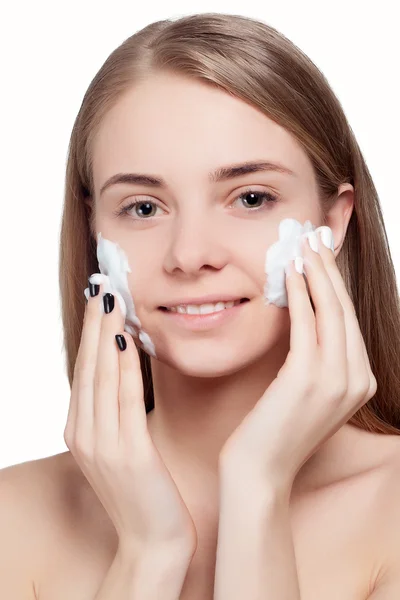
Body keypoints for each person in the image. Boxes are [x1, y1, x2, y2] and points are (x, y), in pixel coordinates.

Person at [1, 11, 400, 600]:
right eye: (143, 207)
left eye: (250, 197)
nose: (189, 255)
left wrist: (256, 486)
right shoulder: (14, 519)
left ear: (334, 223)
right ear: (93, 232)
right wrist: (148, 554)